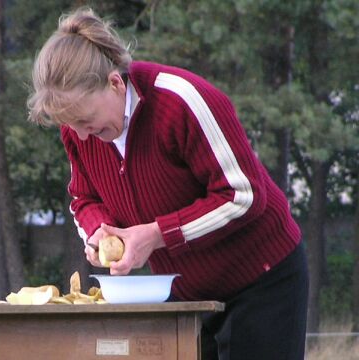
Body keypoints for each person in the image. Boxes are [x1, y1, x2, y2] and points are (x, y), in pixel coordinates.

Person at [27, 7, 309, 360]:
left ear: (115, 83)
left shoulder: (182, 101)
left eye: (86, 121)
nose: (82, 135)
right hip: (185, 295)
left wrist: (157, 234)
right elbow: (83, 199)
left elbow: (244, 196)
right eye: (71, 126)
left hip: (262, 281)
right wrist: (99, 231)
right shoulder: (79, 133)